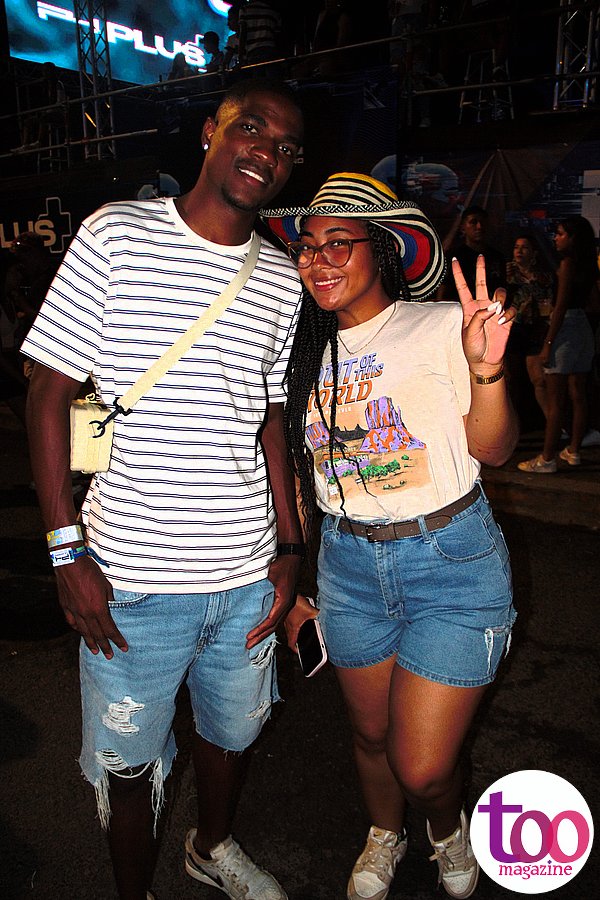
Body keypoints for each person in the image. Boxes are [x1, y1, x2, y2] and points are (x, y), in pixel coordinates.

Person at [21, 78, 305, 900]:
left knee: (231, 736)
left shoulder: (281, 278)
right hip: (133, 580)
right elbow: (47, 392)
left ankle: (211, 846)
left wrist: (291, 546)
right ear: (211, 132)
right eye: (252, 129)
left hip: (246, 577)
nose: (266, 153)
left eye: (286, 148)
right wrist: (65, 552)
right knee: (129, 766)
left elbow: (270, 419)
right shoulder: (116, 234)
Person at [261, 172, 519, 900]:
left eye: (337, 243)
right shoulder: (301, 352)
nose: (317, 260)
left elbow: (494, 449)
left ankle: (444, 823)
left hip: (450, 561)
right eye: (307, 247)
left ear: (381, 249)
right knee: (370, 736)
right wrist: (298, 578)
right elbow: (305, 477)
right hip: (347, 566)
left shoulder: (440, 326)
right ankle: (384, 832)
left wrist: (487, 370)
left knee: (424, 765)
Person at [518, 215, 597, 473]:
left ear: (573, 238)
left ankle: (547, 458)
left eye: (561, 233)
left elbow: (560, 306)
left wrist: (548, 343)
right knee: (578, 394)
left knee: (555, 401)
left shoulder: (567, 263)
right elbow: (594, 302)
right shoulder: (589, 264)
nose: (556, 238)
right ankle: (574, 451)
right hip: (583, 327)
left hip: (565, 328)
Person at [505, 233, 555, 422]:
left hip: (536, 330)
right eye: (516, 247)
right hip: (513, 330)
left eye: (524, 247)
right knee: (510, 380)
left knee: (539, 379)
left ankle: (553, 423)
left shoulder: (543, 277)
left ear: (534, 253)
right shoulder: (507, 274)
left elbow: (549, 301)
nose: (519, 251)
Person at [437, 204, 506, 301]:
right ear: (463, 227)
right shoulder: (453, 257)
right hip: (459, 308)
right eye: (473, 222)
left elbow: (502, 287)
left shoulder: (497, 257)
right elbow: (443, 288)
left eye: (482, 222)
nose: (479, 226)